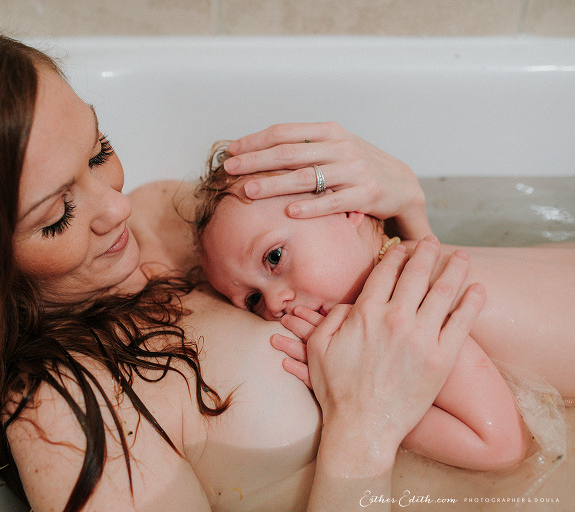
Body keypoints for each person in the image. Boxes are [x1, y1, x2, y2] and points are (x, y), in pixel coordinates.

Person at [0, 27, 507, 512]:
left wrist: (405, 198)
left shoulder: (155, 217)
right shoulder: (66, 414)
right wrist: (365, 432)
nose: (113, 207)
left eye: (98, 147)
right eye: (57, 217)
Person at [193, 140, 572, 467]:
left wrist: (344, 397)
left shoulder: (406, 304)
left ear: (346, 209)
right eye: (253, 299)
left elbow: (500, 445)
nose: (274, 304)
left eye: (274, 257)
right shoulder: (414, 254)